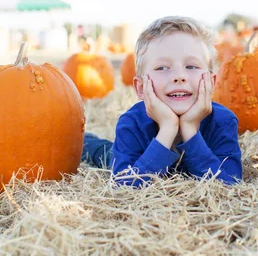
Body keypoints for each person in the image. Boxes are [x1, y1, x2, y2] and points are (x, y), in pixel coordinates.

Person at [81, 16, 242, 187]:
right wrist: (167, 128)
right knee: (103, 153)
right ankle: (84, 140)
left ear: (212, 82)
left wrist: (189, 129)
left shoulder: (223, 122)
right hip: (137, 158)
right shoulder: (132, 123)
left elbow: (230, 184)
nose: (179, 76)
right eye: (162, 68)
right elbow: (124, 186)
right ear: (141, 88)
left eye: (191, 66)